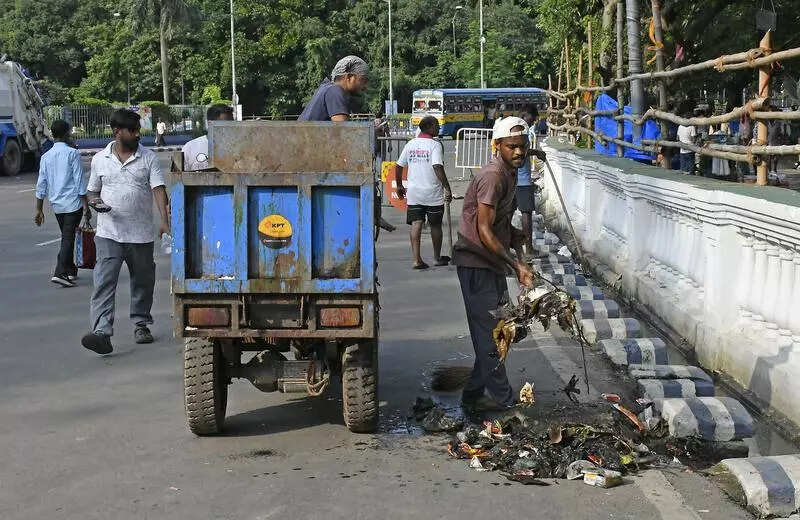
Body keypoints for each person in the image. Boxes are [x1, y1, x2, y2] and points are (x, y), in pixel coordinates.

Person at [452, 117, 540, 413]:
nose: (518, 152)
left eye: (523, 147)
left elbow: (499, 224)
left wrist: (516, 236)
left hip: (491, 263)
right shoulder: (493, 176)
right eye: (512, 147)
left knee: (500, 331)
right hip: (477, 261)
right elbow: (485, 230)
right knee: (493, 334)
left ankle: (473, 393)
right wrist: (517, 266)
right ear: (497, 146)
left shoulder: (511, 173)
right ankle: (504, 399)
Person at [80, 109, 170, 355]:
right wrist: (95, 202)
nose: (137, 134)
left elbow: (159, 189)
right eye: (132, 130)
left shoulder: (148, 157)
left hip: (140, 234)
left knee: (142, 281)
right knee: (103, 283)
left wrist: (164, 221)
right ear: (117, 132)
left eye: (138, 130)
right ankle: (101, 332)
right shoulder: (100, 159)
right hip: (108, 233)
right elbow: (92, 191)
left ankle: (141, 323)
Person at [34, 119, 89, 287]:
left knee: (67, 237)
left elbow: (41, 183)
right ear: (66, 134)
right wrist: (86, 206)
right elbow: (79, 182)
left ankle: (71, 270)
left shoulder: (46, 156)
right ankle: (60, 272)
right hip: (73, 204)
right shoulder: (72, 153)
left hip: (57, 204)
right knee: (67, 238)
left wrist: (39, 209)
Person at [395, 116, 452, 269]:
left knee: (416, 223)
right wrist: (447, 187)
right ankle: (437, 257)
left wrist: (399, 185)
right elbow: (437, 167)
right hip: (432, 193)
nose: (439, 128)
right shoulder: (435, 145)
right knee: (435, 225)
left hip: (414, 193)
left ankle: (416, 259)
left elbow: (399, 165)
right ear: (429, 127)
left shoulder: (410, 144)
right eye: (437, 125)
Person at [298, 55, 369, 121]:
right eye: (363, 80)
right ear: (349, 77)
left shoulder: (327, 88)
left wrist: (372, 130)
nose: (365, 86)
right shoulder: (335, 91)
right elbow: (345, 130)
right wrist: (370, 132)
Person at [182, 103, 234, 171]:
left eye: (232, 124)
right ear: (210, 124)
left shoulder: (238, 148)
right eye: (225, 125)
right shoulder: (190, 148)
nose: (230, 128)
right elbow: (179, 179)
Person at [516, 106, 539, 257]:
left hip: (514, 178)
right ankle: (528, 249)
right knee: (526, 214)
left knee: (506, 214)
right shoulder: (522, 132)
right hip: (522, 180)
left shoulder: (514, 129)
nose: (532, 123)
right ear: (525, 115)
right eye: (531, 119)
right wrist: (536, 152)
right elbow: (521, 153)